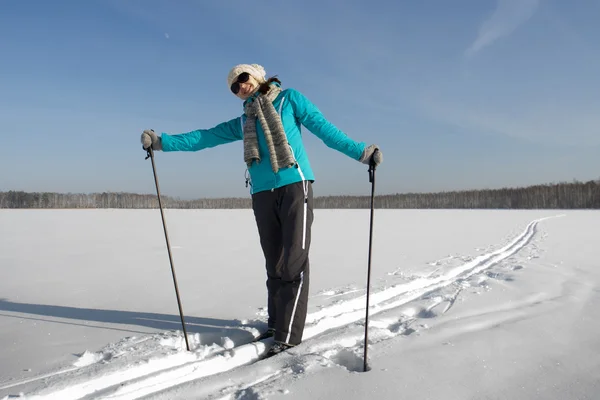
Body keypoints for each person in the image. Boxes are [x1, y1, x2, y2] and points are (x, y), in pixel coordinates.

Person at [141, 63, 382, 357]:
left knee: (294, 261)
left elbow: (324, 129)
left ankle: (288, 336)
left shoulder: (290, 100)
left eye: (242, 79)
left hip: (295, 185)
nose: (240, 87)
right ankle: (275, 324)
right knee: (275, 264)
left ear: (256, 76)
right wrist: (163, 142)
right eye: (234, 87)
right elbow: (204, 137)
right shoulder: (244, 121)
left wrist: (361, 152)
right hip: (262, 193)